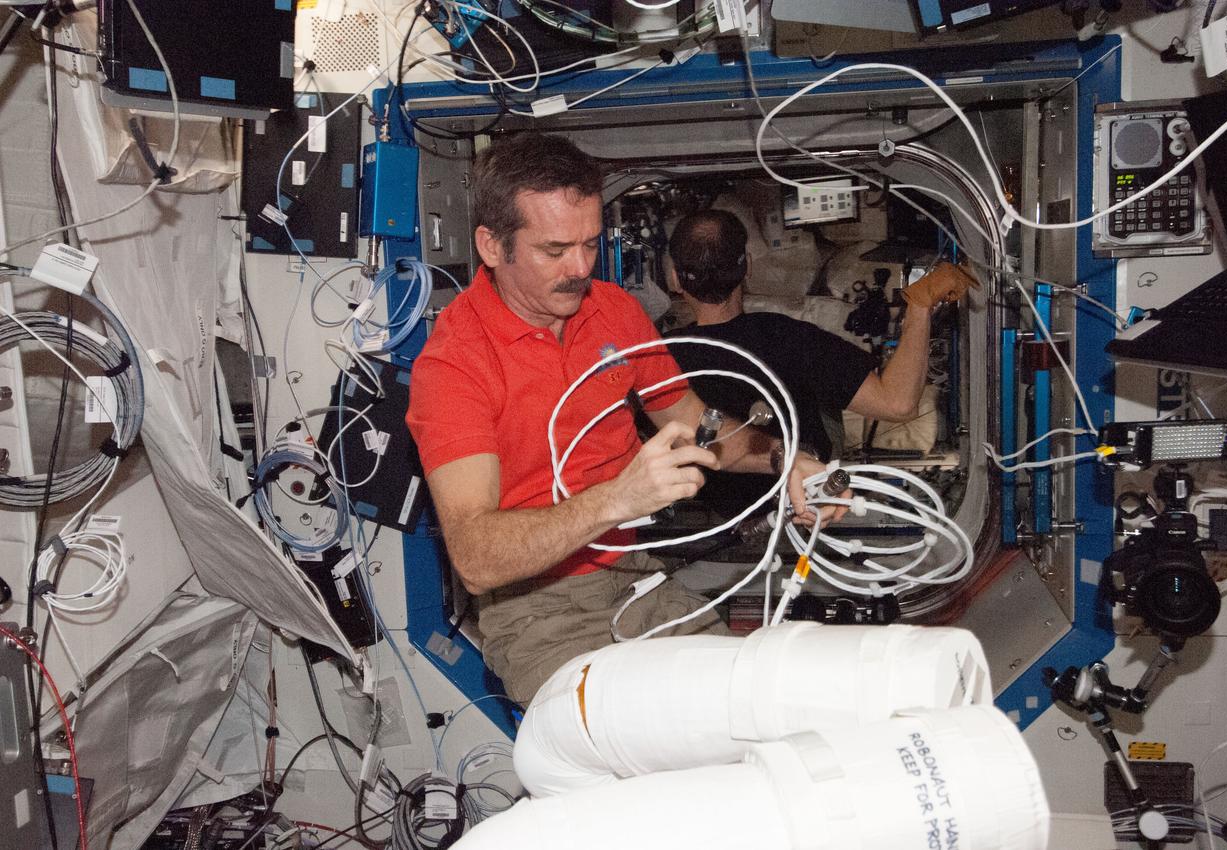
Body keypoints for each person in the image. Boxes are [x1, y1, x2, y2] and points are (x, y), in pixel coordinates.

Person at [406, 133, 828, 705]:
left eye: (589, 243)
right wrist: (618, 499)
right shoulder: (454, 364)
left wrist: (783, 457)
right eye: (555, 250)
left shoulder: (612, 311)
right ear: (491, 246)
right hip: (536, 614)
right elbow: (475, 558)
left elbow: (695, 423)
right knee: (659, 731)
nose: (580, 267)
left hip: (634, 577)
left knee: (752, 701)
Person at [664, 208, 977, 521]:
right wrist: (920, 305)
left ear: (675, 279)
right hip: (802, 514)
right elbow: (897, 403)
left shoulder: (658, 359)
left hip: (692, 524)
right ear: (747, 267)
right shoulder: (787, 336)